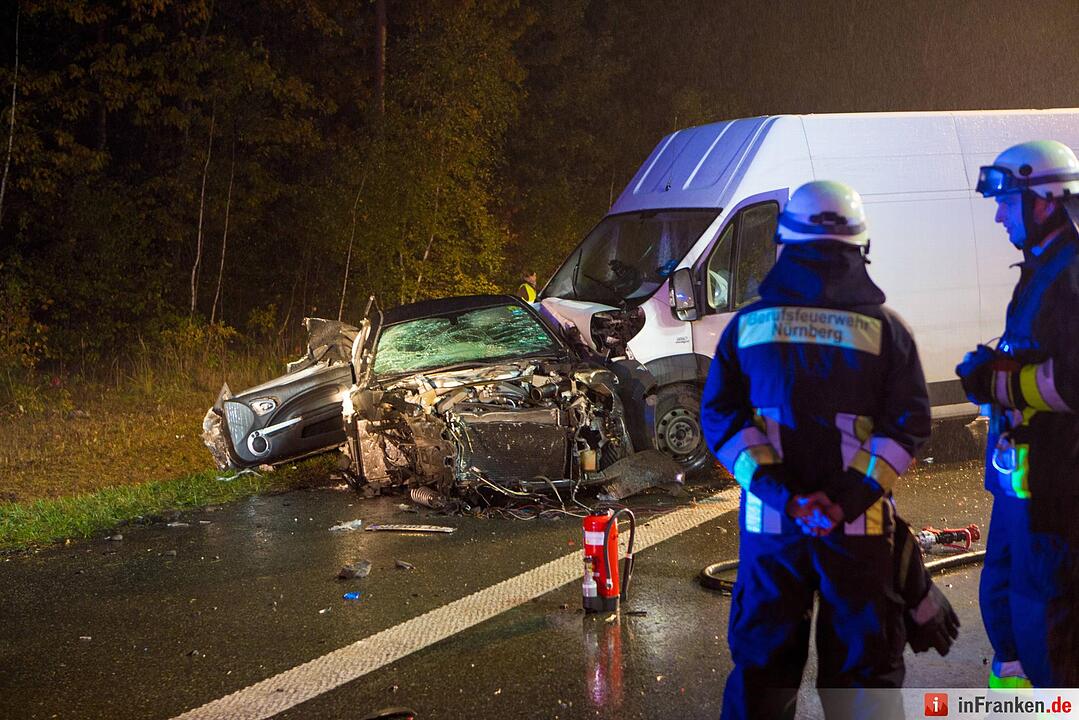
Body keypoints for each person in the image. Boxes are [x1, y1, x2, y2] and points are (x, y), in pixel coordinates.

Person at [703, 180, 945, 719]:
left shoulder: (745, 329)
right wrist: (844, 500)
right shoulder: (887, 332)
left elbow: (722, 419)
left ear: (785, 244)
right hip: (859, 534)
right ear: (860, 249)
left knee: (763, 676)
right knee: (862, 681)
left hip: (774, 529)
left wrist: (785, 497)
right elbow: (908, 426)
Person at [956, 139, 1079, 688]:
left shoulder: (1072, 274)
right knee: (1015, 599)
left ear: (1048, 199)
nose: (1000, 213)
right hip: (1029, 482)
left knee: (1053, 624)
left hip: (1060, 488)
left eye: (1008, 202)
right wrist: (993, 367)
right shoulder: (1042, 269)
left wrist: (1000, 383)